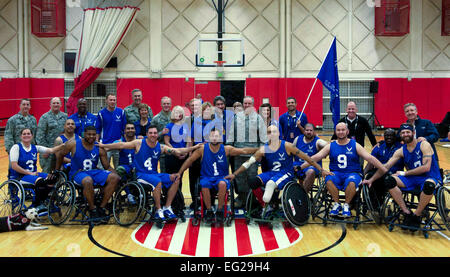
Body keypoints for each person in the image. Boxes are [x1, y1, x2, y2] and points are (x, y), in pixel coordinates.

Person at [99, 125, 200, 221]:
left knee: (176, 178)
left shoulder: (160, 147)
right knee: (157, 182)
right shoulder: (139, 143)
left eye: (155, 133)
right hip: (141, 175)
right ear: (147, 134)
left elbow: (177, 151)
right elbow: (121, 144)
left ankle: (167, 207)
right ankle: (158, 210)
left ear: (157, 135)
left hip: (154, 174)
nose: (153, 135)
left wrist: (194, 147)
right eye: (151, 133)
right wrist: (104, 145)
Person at [228, 125, 330, 218]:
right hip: (271, 173)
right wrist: (234, 174)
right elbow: (248, 163)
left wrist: (321, 169)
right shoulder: (264, 149)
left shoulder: (287, 146)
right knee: (252, 182)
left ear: (278, 134)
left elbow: (308, 158)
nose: (272, 134)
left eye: (274, 132)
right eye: (269, 132)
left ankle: (269, 204)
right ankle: (266, 205)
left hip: (286, 173)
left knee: (271, 184)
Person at [363, 123, 442, 229]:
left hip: (430, 177)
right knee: (389, 181)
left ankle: (416, 215)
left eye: (408, 132)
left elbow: (426, 168)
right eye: (403, 132)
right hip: (413, 179)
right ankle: (406, 212)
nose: (405, 134)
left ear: (413, 133)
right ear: (400, 135)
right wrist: (371, 179)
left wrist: (404, 173)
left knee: (429, 185)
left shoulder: (424, 145)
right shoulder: (401, 150)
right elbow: (385, 167)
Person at [305, 122, 387, 218]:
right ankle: (337, 204)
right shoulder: (331, 146)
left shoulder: (355, 144)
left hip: (353, 173)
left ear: (347, 131)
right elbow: (315, 157)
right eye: (338, 130)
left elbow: (370, 158)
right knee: (328, 179)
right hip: (336, 173)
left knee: (351, 181)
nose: (341, 132)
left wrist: (384, 169)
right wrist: (301, 166)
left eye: (343, 130)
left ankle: (346, 205)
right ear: (335, 132)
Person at [177, 128, 258, 224]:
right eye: (212, 136)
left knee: (222, 184)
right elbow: (190, 160)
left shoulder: (226, 149)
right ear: (208, 137)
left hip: (221, 178)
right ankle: (209, 211)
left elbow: (243, 151)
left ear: (220, 137)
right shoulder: (202, 149)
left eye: (216, 136)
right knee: (204, 184)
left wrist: (259, 149)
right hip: (206, 177)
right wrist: (180, 172)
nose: (214, 138)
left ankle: (219, 211)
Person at [56, 126, 120, 224]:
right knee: (88, 180)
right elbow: (60, 154)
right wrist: (57, 170)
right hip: (77, 173)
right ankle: (92, 209)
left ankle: (101, 208)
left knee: (114, 178)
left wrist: (117, 175)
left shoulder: (98, 147)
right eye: (89, 134)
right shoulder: (73, 143)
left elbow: (107, 166)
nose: (91, 136)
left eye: (93, 134)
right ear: (84, 134)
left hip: (93, 172)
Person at [9, 128, 67, 215]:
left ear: (32, 136)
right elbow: (14, 166)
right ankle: (37, 204)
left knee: (53, 177)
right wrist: (29, 173)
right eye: (24, 134)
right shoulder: (16, 147)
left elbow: (51, 150)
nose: (26, 135)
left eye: (28, 133)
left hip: (33, 175)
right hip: (20, 176)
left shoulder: (35, 147)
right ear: (20, 136)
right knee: (40, 181)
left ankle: (46, 200)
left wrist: (64, 145)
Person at [229, 96, 268, 208]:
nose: (246, 105)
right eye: (244, 103)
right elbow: (231, 134)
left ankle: (251, 200)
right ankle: (241, 198)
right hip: (238, 153)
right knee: (239, 178)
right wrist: (229, 149)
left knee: (251, 177)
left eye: (249, 104)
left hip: (253, 154)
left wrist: (260, 154)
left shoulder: (258, 119)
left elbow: (263, 138)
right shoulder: (236, 117)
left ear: (253, 104)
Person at [363, 128, 403, 210]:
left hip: (393, 173)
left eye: (391, 135)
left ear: (395, 137)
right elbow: (370, 163)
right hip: (378, 172)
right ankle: (370, 203)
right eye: (387, 135)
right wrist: (362, 174)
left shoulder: (401, 148)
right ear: (383, 136)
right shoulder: (379, 146)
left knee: (383, 180)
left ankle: (378, 202)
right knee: (369, 176)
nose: (389, 137)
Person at [36, 97, 68, 173]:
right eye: (54, 103)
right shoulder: (44, 117)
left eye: (57, 103)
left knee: (61, 172)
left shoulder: (65, 116)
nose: (56, 104)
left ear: (61, 104)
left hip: (61, 150)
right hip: (48, 150)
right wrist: (44, 150)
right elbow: (40, 136)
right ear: (50, 105)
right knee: (47, 173)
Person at [293, 123, 328, 192]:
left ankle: (303, 195)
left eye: (311, 130)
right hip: (298, 164)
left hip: (312, 166)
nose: (309, 132)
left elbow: (327, 145)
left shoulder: (317, 141)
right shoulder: (297, 139)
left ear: (314, 132)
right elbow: (290, 152)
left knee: (311, 171)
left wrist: (325, 152)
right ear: (304, 131)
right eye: (307, 130)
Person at [95, 93, 127, 169]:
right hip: (105, 145)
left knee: (118, 169)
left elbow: (124, 129)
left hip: (118, 145)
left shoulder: (121, 112)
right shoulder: (101, 113)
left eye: (114, 100)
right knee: (103, 168)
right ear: (106, 101)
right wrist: (97, 142)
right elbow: (97, 129)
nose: (112, 101)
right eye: (110, 100)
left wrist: (123, 141)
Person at [164, 105, 191, 194]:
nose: (177, 114)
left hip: (183, 156)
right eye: (175, 112)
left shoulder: (186, 126)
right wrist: (175, 152)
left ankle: (179, 201)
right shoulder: (168, 126)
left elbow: (188, 141)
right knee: (172, 178)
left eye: (179, 113)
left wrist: (186, 152)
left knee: (179, 178)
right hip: (172, 156)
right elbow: (167, 142)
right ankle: (170, 201)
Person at [152, 96, 172, 173]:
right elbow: (151, 136)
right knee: (164, 173)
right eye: (164, 104)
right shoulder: (156, 119)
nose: (166, 105)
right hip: (162, 151)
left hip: (174, 149)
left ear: (171, 105)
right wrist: (161, 133)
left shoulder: (175, 117)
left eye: (168, 103)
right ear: (161, 104)